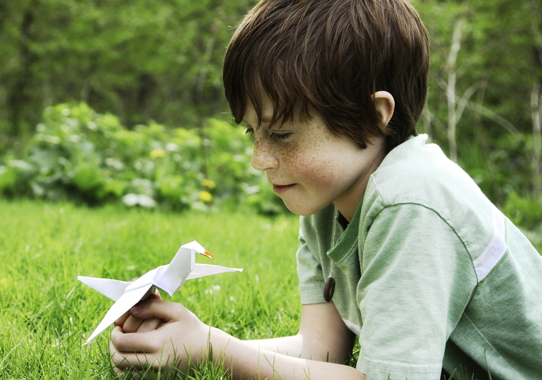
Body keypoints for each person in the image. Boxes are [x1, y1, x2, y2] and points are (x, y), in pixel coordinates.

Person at [108, 0, 542, 378]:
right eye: (252, 133)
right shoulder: (326, 196)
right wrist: (191, 342)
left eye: (281, 134)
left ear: (375, 116)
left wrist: (214, 349)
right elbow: (321, 352)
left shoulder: (411, 204)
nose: (259, 159)